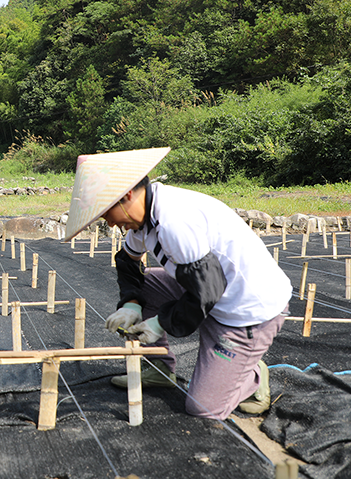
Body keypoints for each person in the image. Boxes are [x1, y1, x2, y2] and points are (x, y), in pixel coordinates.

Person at [65, 147, 292, 420]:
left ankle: (252, 374)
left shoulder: (174, 221)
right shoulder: (143, 220)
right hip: (207, 289)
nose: (110, 223)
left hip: (244, 311)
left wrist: (160, 322)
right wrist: (132, 304)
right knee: (147, 284)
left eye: (106, 213)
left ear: (126, 196)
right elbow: (128, 263)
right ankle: (159, 369)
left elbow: (209, 289)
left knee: (203, 407)